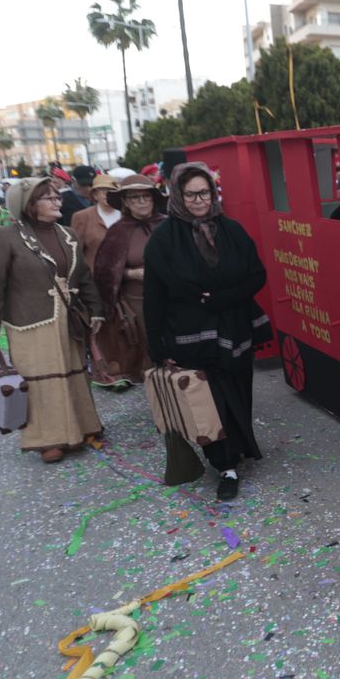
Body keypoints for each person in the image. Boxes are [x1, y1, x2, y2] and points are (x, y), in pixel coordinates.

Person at [144, 163, 272, 501]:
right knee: (210, 400)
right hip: (189, 334)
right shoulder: (163, 240)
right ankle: (224, 465)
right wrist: (156, 345)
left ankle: (239, 447)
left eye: (204, 192)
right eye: (191, 194)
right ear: (177, 196)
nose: (199, 200)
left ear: (213, 194)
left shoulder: (232, 230)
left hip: (234, 329)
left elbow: (257, 276)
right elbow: (154, 297)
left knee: (239, 393)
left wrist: (219, 299)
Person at [0, 177, 106, 464]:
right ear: (29, 205)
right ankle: (46, 439)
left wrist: (95, 310)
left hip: (67, 319)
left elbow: (83, 277)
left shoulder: (68, 234)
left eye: (57, 196)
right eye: (49, 198)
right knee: (40, 382)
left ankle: (80, 428)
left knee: (72, 374)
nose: (57, 201)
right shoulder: (6, 237)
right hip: (29, 322)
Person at [93, 176, 165, 387]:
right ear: (125, 201)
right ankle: (164, 409)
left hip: (175, 301)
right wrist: (130, 274)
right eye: (134, 197)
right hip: (138, 304)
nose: (141, 201)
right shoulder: (118, 231)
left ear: (154, 199)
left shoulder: (169, 224)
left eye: (146, 196)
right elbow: (104, 272)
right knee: (150, 361)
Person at [71, 173, 124, 386]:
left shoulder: (125, 214)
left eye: (112, 191)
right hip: (95, 282)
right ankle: (103, 369)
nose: (107, 195)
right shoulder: (82, 217)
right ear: (94, 194)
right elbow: (75, 252)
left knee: (125, 323)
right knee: (100, 327)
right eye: (103, 191)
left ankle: (127, 367)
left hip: (125, 280)